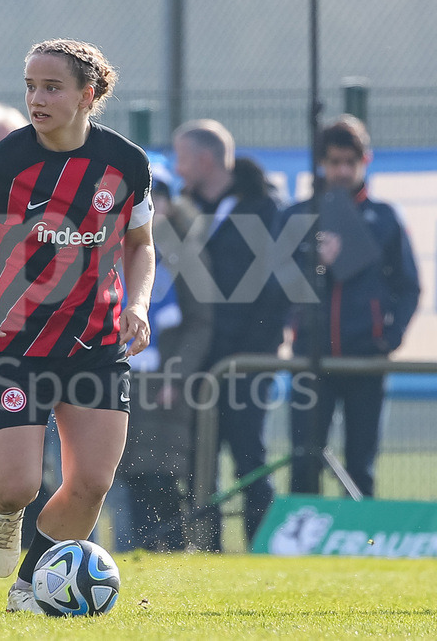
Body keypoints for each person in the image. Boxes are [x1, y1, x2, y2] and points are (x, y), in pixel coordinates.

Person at [0, 39, 155, 613]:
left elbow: (141, 244)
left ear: (87, 95)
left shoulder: (127, 163)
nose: (36, 98)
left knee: (91, 484)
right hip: (14, 343)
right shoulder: (3, 163)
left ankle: (28, 589)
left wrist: (138, 305)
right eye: (30, 86)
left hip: (97, 344)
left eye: (52, 87)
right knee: (17, 486)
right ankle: (3, 512)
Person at [279, 115, 419, 498]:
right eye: (334, 162)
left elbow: (408, 286)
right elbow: (277, 285)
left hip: (366, 360)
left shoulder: (385, 218)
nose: (342, 171)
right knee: (304, 461)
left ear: (365, 161)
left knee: (361, 464)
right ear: (321, 163)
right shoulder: (297, 216)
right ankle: (304, 532)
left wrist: (388, 337)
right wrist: (317, 265)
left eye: (350, 162)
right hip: (310, 357)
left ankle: (358, 531)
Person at [172, 120, 285, 549]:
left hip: (246, 361)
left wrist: (253, 354)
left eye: (182, 159)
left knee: (249, 456)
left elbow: (276, 293)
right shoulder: (183, 212)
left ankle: (262, 547)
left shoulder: (264, 210)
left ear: (205, 159)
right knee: (198, 459)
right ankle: (208, 549)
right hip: (198, 360)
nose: (178, 170)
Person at [115, 173, 211, 551]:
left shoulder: (187, 252)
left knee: (161, 473)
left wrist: (177, 375)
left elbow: (200, 322)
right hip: (124, 373)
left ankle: (171, 548)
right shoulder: (114, 245)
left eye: (158, 197)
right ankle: (137, 550)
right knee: (127, 473)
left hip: (164, 381)